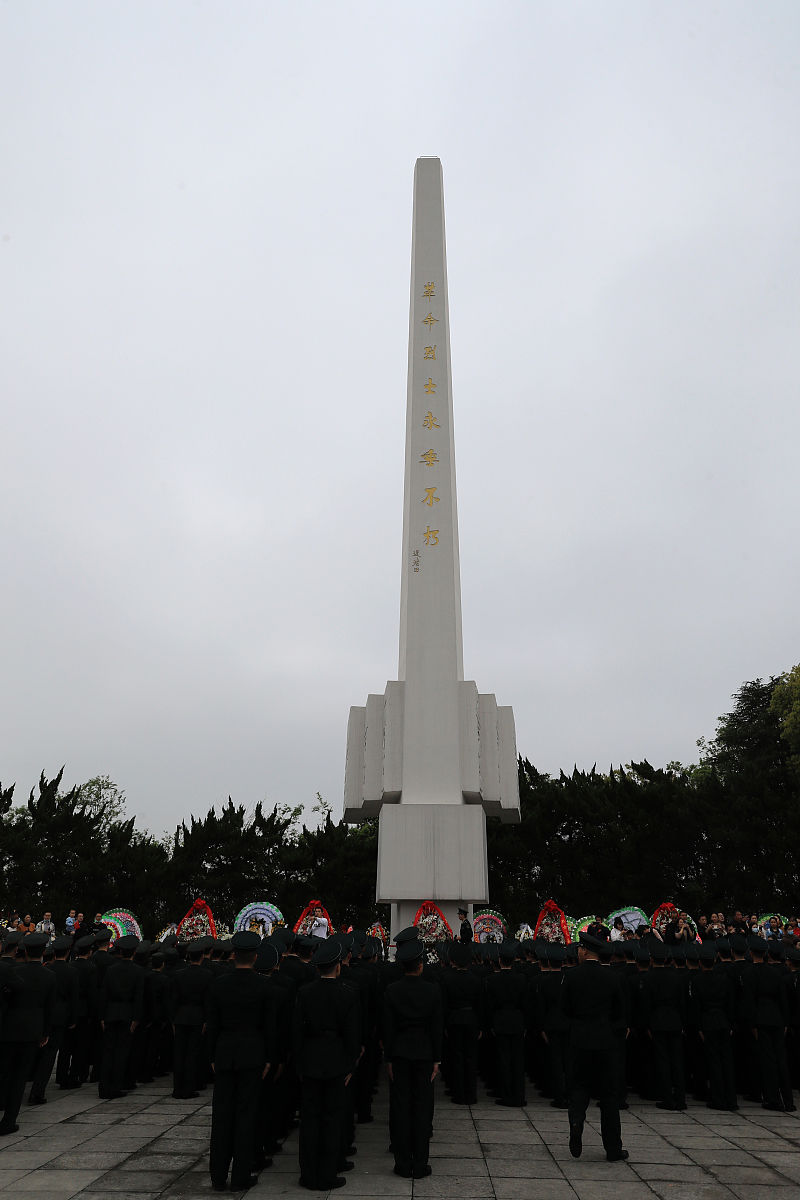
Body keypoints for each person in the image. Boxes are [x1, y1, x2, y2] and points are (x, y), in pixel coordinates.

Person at [207, 930, 277, 1193]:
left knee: (222, 1116)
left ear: (234, 955)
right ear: (256, 957)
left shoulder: (218, 984)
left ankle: (217, 1175)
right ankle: (240, 1176)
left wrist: (212, 1056)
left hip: (225, 1053)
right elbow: (269, 1027)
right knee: (247, 1117)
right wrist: (270, 1057)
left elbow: (212, 1025)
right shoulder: (265, 986)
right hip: (252, 1055)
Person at [293, 937, 360, 1191]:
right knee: (332, 1119)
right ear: (338, 966)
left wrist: (299, 1063)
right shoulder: (348, 994)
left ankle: (308, 1173)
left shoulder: (304, 992)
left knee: (310, 1120)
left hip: (310, 1059)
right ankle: (328, 1173)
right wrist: (350, 1064)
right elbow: (352, 1035)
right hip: (336, 1061)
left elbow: (296, 1032)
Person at [562, 930, 628, 1163]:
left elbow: (566, 1009)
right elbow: (620, 1012)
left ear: (585, 951)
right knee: (609, 1095)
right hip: (605, 1041)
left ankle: (577, 1121)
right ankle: (613, 1148)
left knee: (579, 1087)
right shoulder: (612, 977)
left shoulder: (571, 976)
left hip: (580, 1039)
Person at [383, 936, 443, 1179]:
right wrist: (437, 1058)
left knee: (400, 1107)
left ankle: (402, 1162)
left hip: (399, 1053)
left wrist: (388, 1057)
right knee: (421, 1108)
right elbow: (436, 1028)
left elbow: (388, 1028)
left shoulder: (391, 990)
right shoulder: (432, 990)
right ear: (420, 965)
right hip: (424, 1053)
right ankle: (420, 1162)